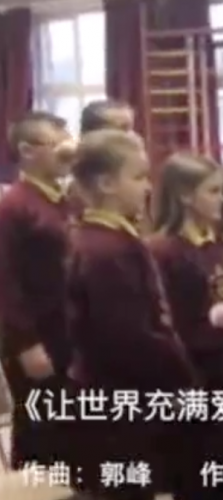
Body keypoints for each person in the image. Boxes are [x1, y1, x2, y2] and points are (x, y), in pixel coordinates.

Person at [65, 130, 197, 498]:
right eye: (138, 177)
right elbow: (131, 335)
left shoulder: (108, 238)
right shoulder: (107, 250)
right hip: (121, 397)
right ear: (106, 183)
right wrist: (181, 374)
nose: (148, 187)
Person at [146, 154, 223, 499]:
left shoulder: (219, 244)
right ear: (186, 196)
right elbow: (163, 321)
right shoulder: (162, 250)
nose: (222, 199)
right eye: (213, 191)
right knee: (200, 475)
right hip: (192, 374)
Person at [0, 112, 75, 470]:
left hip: (68, 329)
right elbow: (5, 281)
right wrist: (26, 343)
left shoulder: (64, 199)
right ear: (27, 151)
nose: (66, 152)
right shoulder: (13, 206)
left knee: (72, 426)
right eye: (56, 145)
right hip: (37, 336)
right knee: (41, 427)